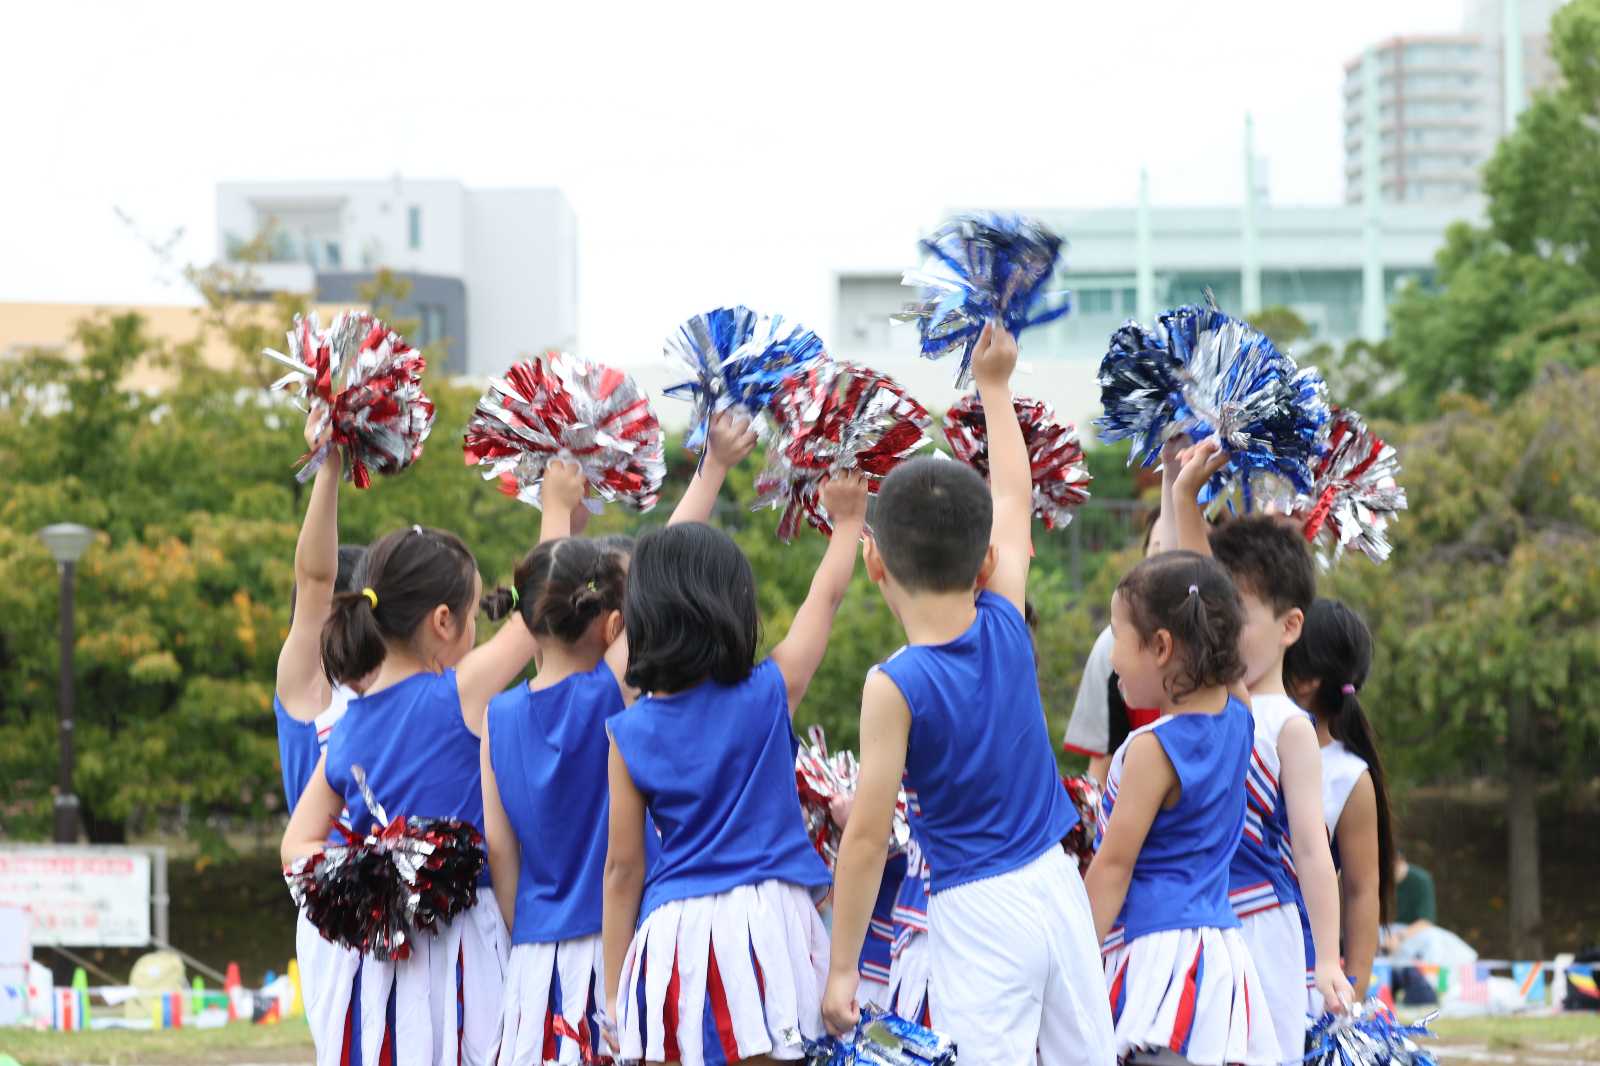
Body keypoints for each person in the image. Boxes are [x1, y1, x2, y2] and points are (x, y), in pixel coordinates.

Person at [822, 323, 1114, 1066]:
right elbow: (1013, 495)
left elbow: (866, 838)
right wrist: (994, 387)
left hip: (978, 910)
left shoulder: (894, 684)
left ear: (875, 564)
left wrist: (843, 969)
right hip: (1057, 886)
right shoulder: (1004, 618)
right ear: (985, 561)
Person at [485, 420, 754, 1066]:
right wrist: (713, 467)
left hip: (533, 963)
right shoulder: (605, 693)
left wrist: (555, 510)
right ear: (613, 627)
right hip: (614, 946)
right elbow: (664, 561)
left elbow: (500, 848)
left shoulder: (497, 716)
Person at [601, 465, 870, 1066]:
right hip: (768, 925)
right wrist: (849, 520)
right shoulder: (769, 692)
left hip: (673, 937)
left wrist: (616, 996)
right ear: (734, 606)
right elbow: (824, 598)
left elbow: (622, 870)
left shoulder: (628, 731)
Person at [282, 518, 547, 1066]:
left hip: (383, 962)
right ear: (443, 621)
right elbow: (539, 606)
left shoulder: (348, 727)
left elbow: (296, 846)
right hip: (465, 946)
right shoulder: (458, 693)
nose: (476, 631)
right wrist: (557, 506)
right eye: (473, 616)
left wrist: (378, 873)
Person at [1173, 440, 1352, 1061]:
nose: (1219, 630)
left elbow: (1312, 850)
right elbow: (1195, 577)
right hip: (1193, 922)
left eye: (1238, 616)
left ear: (1290, 626)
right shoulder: (1205, 708)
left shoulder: (1289, 727)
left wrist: (1327, 959)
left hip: (1260, 927)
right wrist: (1182, 492)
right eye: (1213, 616)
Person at [1085, 551, 1279, 1066]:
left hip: (1157, 959)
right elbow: (1227, 669)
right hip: (1217, 954)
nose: (1111, 656)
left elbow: (1114, 867)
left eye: (1117, 637)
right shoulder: (1240, 720)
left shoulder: (1154, 749)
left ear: (1161, 646)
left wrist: (1071, 963)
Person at [275, 413, 367, 1050]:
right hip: (336, 911)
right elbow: (313, 582)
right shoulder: (309, 690)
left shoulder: (397, 693)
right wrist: (329, 467)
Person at [1283, 599, 1395, 1003]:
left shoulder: (1349, 776)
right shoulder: (1249, 741)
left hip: (1299, 971)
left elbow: (1362, 889)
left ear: (1305, 680)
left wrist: (1355, 991)